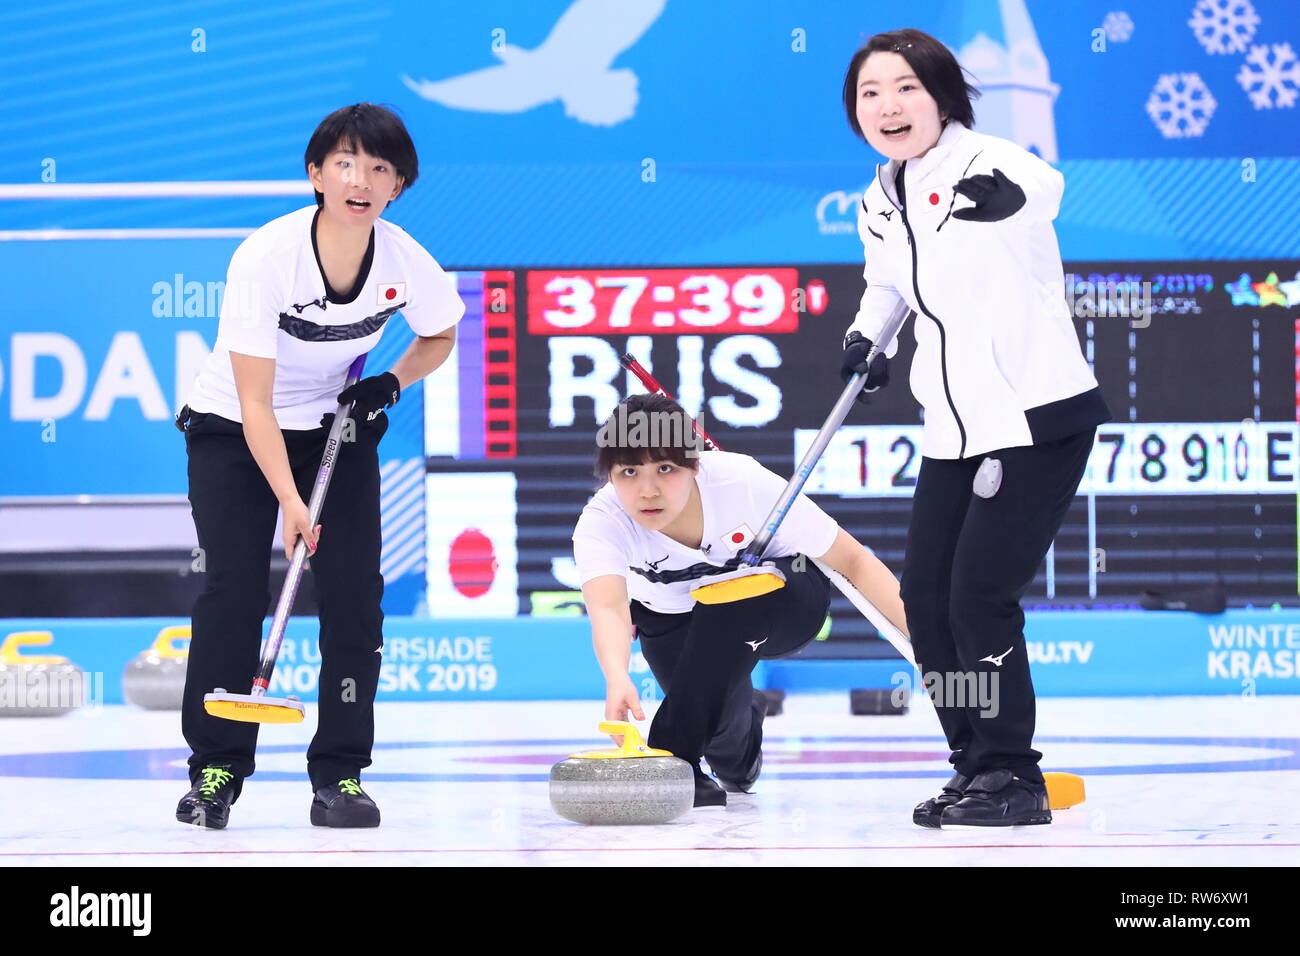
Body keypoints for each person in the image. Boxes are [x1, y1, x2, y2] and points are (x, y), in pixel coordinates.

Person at [839, 29, 1110, 827]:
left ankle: (1013, 775)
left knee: (978, 599)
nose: (888, 106)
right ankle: (973, 760)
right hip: (952, 431)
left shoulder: (987, 161)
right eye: (870, 93)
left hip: (1033, 417)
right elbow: (886, 283)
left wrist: (1005, 200)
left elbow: (1044, 187)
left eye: (906, 88)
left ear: (942, 96)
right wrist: (866, 336)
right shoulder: (880, 195)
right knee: (924, 603)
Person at [173, 103, 465, 829]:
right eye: (344, 163)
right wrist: (292, 505)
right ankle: (216, 769)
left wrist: (388, 384)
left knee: (355, 601)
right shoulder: (266, 258)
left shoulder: (403, 260)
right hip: (236, 431)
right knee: (231, 591)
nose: (359, 180)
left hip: (336, 428)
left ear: (399, 184)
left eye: (378, 168)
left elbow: (442, 333)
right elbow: (255, 401)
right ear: (315, 173)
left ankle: (339, 774)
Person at [573, 393, 910, 808]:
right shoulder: (601, 523)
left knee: (732, 605)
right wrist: (616, 674)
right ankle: (736, 716)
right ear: (609, 475)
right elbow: (608, 605)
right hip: (676, 619)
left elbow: (854, 562)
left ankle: (671, 759)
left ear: (694, 464)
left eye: (665, 468)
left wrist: (928, 643)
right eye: (628, 471)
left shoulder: (742, 483)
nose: (648, 490)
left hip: (783, 601)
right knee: (730, 761)